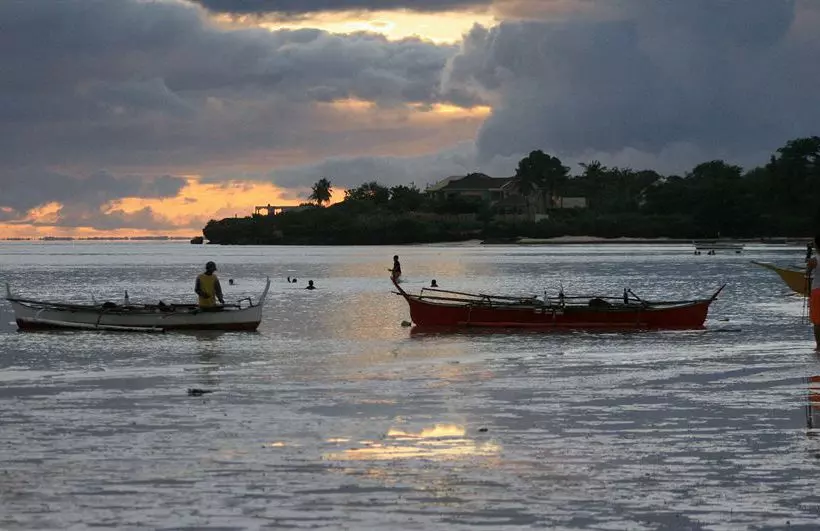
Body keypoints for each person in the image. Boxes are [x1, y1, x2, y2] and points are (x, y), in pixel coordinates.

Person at [807, 236, 820, 348]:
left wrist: (808, 252)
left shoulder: (813, 260)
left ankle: (818, 346)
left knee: (817, 321)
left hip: (817, 291)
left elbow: (807, 273)